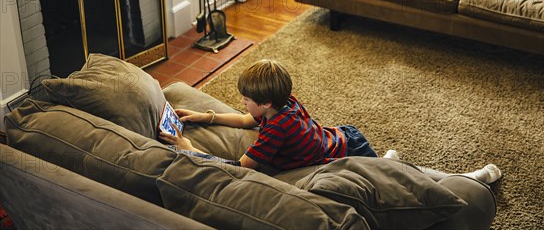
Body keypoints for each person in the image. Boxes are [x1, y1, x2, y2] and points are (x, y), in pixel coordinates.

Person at [159, 59, 502, 184]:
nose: (242, 103)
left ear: (266, 102)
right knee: (391, 170)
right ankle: (385, 162)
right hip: (345, 138)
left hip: (344, 154)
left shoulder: (277, 127)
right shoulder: (281, 104)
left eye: (246, 98)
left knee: (405, 178)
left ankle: (470, 179)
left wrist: (189, 148)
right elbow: (249, 119)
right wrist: (207, 116)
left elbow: (239, 167)